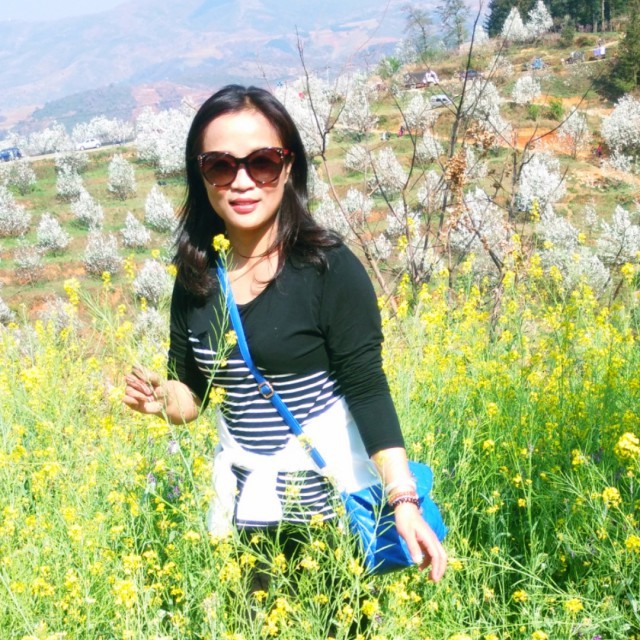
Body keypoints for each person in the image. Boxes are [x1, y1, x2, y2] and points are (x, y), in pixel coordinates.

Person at [123, 84, 447, 626]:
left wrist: (403, 502)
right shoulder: (196, 278)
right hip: (246, 510)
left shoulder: (327, 269)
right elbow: (193, 395)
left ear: (288, 166)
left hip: (327, 517)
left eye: (262, 162)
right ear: (200, 176)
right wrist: (162, 401)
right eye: (220, 165)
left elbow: (367, 388)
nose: (242, 180)